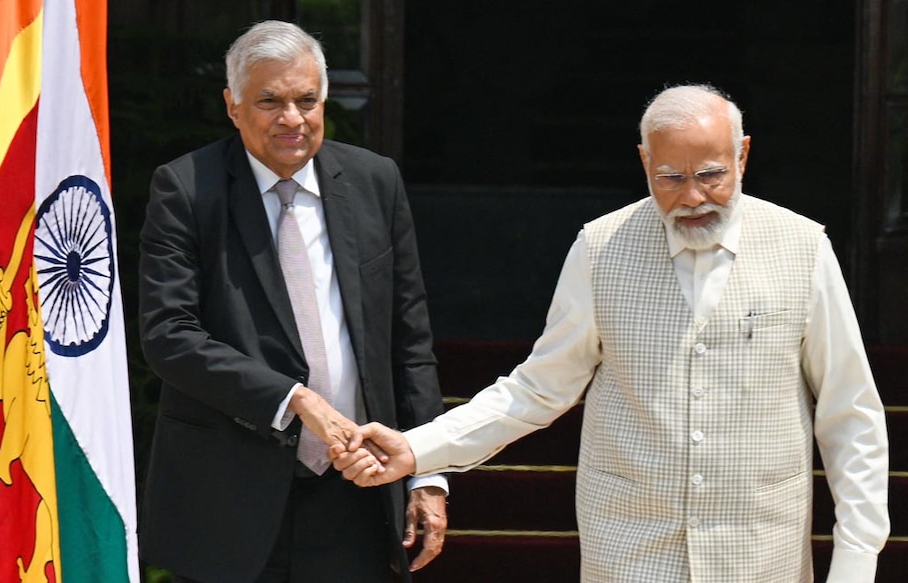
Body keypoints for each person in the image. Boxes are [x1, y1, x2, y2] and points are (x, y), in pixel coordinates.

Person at [332, 84, 890, 582]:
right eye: (670, 177)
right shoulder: (600, 250)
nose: (693, 196)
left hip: (760, 556)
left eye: (711, 175)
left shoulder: (803, 248)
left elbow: (850, 414)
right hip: (629, 554)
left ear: (742, 155)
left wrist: (857, 560)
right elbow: (535, 390)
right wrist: (416, 446)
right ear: (645, 162)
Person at [137, 19, 447, 583]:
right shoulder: (186, 189)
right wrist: (292, 399)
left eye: (307, 100)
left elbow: (410, 342)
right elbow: (169, 337)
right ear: (232, 106)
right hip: (229, 499)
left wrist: (426, 471)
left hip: (358, 491)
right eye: (270, 101)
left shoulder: (376, 181)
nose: (292, 119)